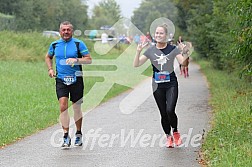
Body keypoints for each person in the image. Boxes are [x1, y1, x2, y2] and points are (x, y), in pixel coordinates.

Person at [133, 24, 189, 148]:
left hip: (171, 84)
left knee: (170, 110)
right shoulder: (151, 50)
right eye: (157, 33)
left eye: (161, 33)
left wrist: (185, 52)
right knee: (163, 113)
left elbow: (183, 63)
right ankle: (168, 137)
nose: (158, 35)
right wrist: (138, 52)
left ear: (166, 35)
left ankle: (175, 132)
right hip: (157, 85)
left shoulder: (173, 49)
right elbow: (136, 64)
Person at [45, 21, 92, 149]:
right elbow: (48, 57)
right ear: (60, 31)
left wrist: (76, 60)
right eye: (63, 30)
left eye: (68, 30)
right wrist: (50, 69)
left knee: (76, 108)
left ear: (72, 31)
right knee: (63, 106)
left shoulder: (78, 44)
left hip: (76, 79)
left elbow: (89, 59)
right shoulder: (54, 45)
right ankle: (65, 135)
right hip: (61, 79)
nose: (66, 32)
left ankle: (78, 133)